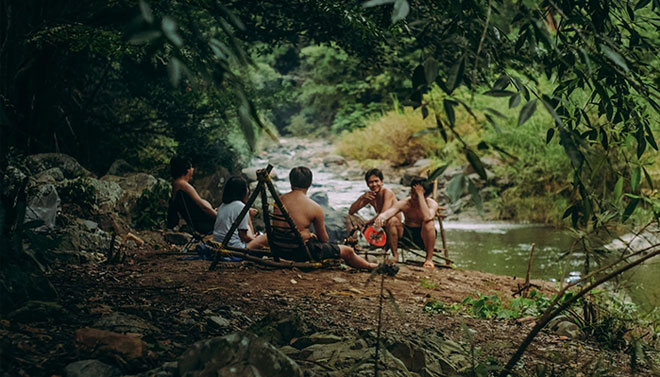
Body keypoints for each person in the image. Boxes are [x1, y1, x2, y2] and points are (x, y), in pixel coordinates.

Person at [277, 166, 378, 270]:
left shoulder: (279, 200)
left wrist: (306, 234)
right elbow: (324, 239)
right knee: (348, 251)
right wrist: (309, 235)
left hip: (279, 248)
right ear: (310, 183)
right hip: (299, 252)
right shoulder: (314, 206)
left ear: (290, 181)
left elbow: (284, 228)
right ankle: (371, 266)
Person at [374, 177, 439, 268]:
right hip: (406, 234)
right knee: (393, 220)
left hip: (423, 236)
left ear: (426, 196)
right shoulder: (405, 203)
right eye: (412, 193)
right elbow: (391, 211)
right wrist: (381, 217)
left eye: (415, 194)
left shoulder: (432, 204)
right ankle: (395, 256)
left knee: (429, 223)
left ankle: (429, 259)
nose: (412, 196)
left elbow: (427, 216)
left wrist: (420, 196)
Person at [346, 168, 402, 246]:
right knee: (349, 218)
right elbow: (351, 211)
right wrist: (362, 198)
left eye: (376, 181)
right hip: (379, 225)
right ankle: (353, 244)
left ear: (382, 182)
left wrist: (368, 223)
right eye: (371, 182)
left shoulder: (387, 192)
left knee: (389, 220)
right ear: (367, 184)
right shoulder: (370, 195)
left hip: (393, 228)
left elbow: (384, 214)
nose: (374, 184)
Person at [213, 176, 267, 249]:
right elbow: (243, 236)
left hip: (218, 243)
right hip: (234, 247)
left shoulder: (223, 205)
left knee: (247, 228)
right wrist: (255, 240)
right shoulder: (240, 206)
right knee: (266, 237)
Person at [169, 155, 216, 233]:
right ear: (187, 170)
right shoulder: (184, 185)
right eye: (191, 167)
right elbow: (204, 207)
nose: (193, 169)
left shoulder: (176, 184)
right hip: (205, 224)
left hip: (199, 221)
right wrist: (218, 216)